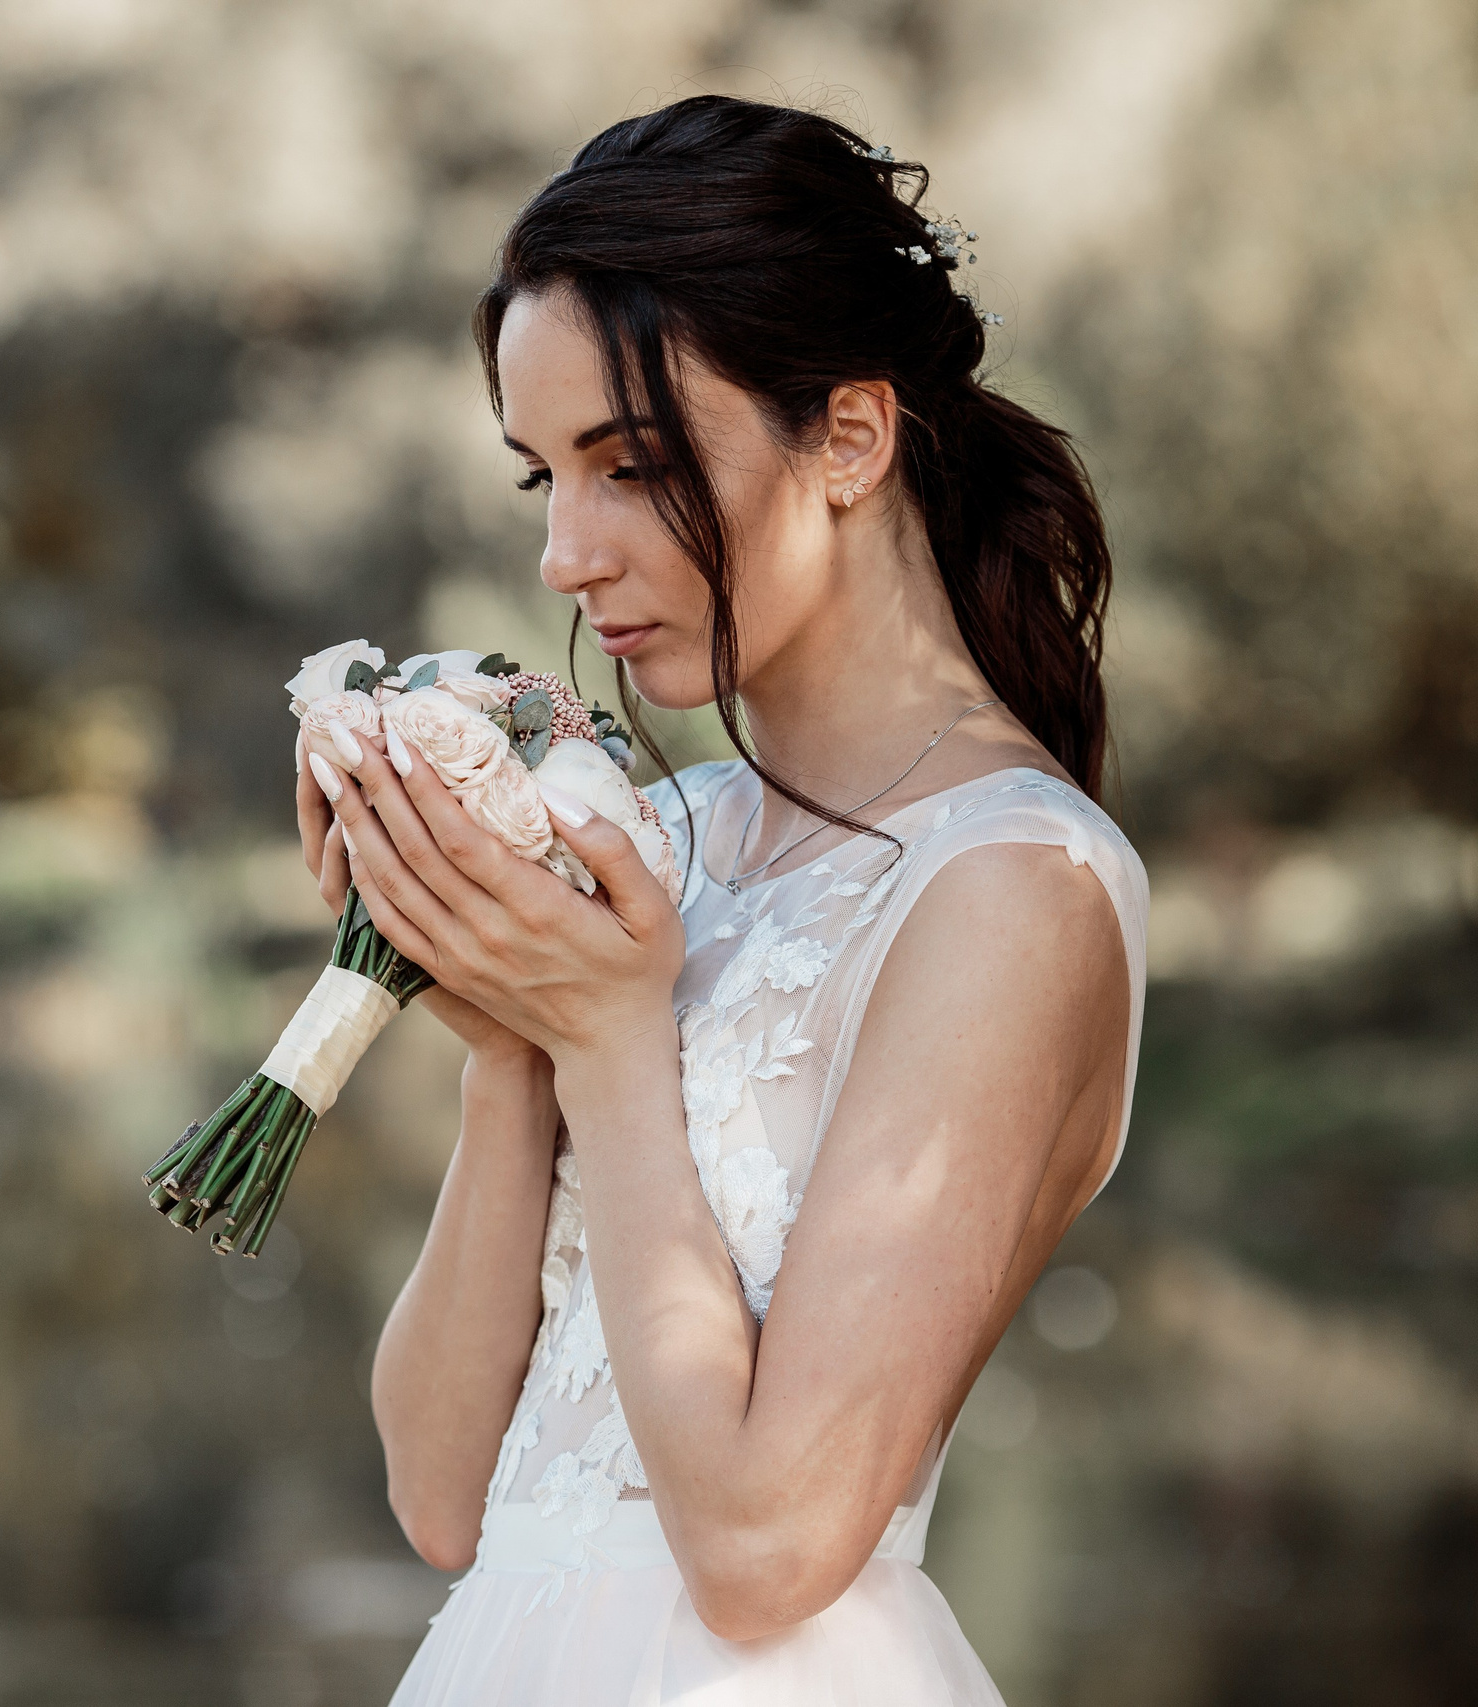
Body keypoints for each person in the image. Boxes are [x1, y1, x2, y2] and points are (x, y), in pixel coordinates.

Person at [293, 96, 1147, 1704]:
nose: (563, 553)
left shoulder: (1014, 887)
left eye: (632, 468)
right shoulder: (663, 839)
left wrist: (612, 1045)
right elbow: (443, 1497)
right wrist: (507, 1039)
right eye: (540, 475)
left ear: (849, 436)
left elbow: (768, 1555)